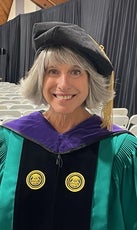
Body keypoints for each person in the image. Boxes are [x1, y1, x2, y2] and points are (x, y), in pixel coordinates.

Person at [0, 21, 137, 230]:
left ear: (90, 80)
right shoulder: (9, 141)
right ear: (40, 78)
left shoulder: (120, 151)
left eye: (76, 72)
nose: (63, 84)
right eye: (53, 71)